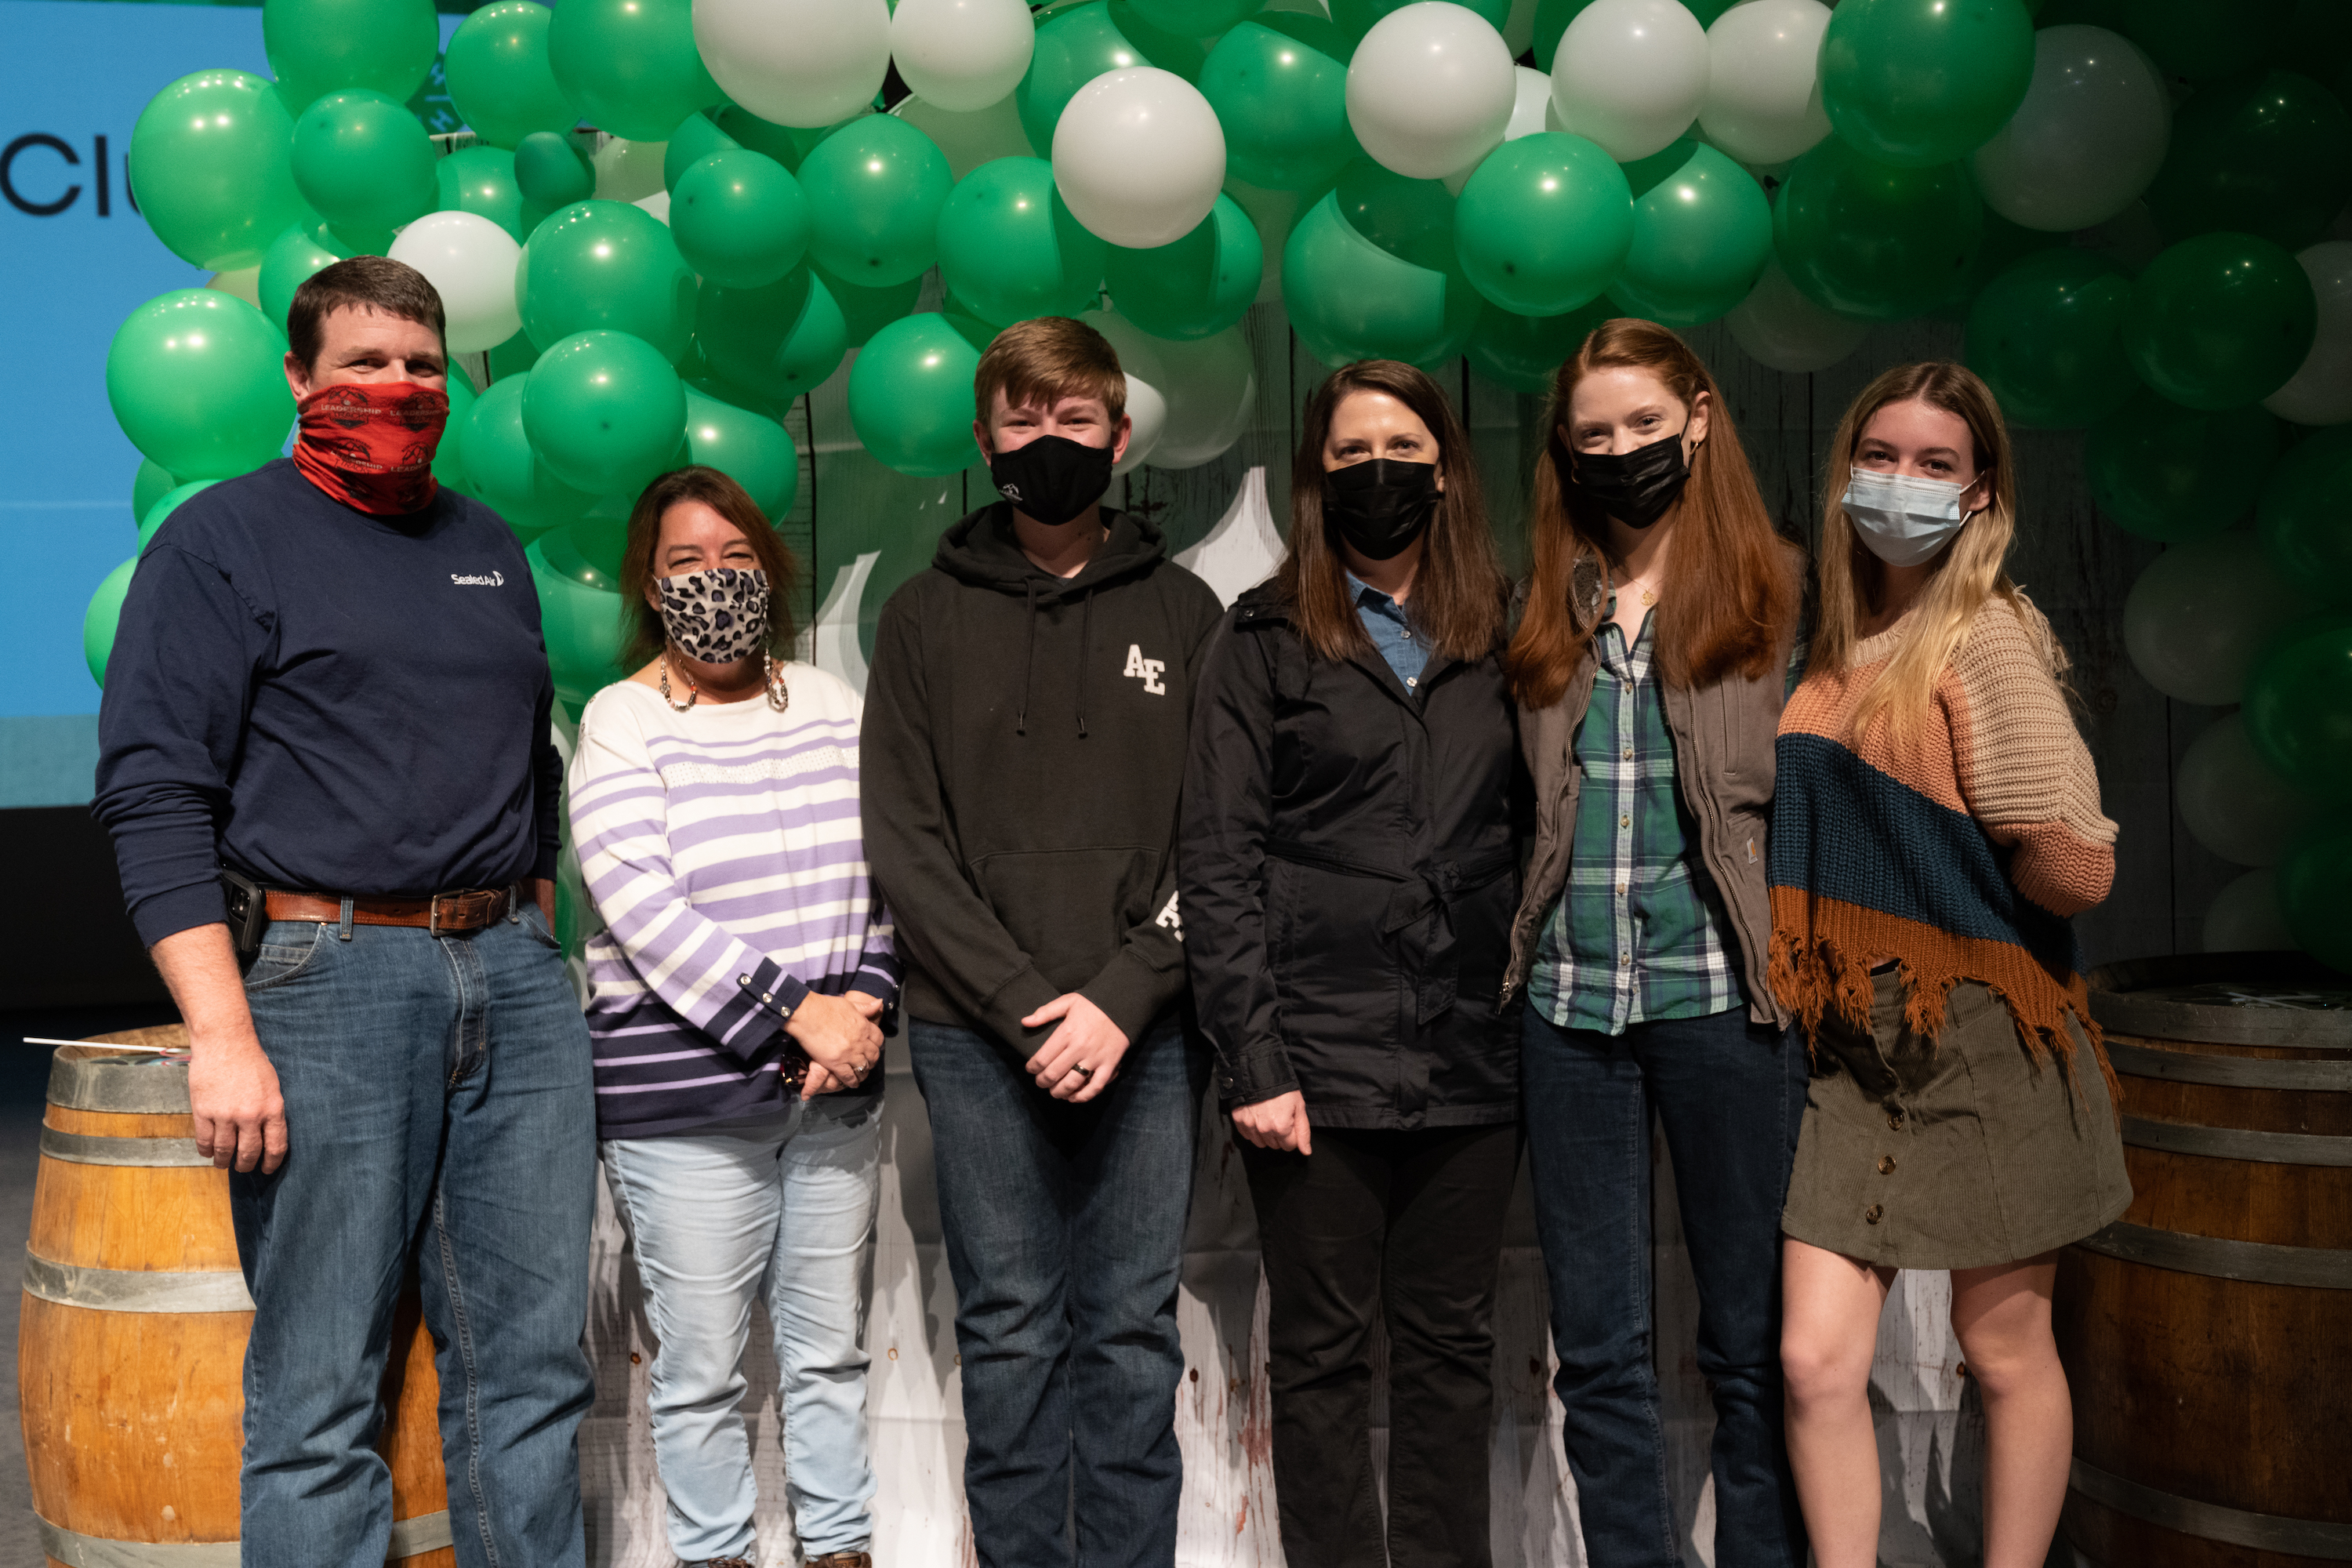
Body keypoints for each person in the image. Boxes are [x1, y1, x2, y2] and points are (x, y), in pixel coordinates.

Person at [91, 256, 595, 1566]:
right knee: (323, 1393)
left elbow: (525, 770)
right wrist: (220, 1029)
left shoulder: (488, 546)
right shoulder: (219, 543)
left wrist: (532, 937)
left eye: (421, 366)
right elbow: (154, 796)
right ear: (298, 378)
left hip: (515, 983)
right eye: (364, 363)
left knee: (535, 1376)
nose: (397, 387)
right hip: (329, 982)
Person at [858, 315, 1224, 1566]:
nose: (1048, 442)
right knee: (1010, 1330)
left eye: (1075, 422)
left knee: (1130, 1330)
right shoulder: (917, 620)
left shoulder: (1188, 614)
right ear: (984, 437)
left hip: (1154, 1031)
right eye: (1024, 420)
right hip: (975, 1037)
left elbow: (1216, 843)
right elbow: (908, 848)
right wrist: (1027, 1002)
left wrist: (1124, 993)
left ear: (1120, 439)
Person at [1771, 362, 2129, 1568]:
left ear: (1980, 497)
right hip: (1851, 1044)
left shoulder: (1983, 637)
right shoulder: (1833, 635)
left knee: (2004, 1349)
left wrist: (1965, 919)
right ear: (1844, 473)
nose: (1901, 483)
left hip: (1984, 1034)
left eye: (1935, 465)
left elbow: (2077, 868)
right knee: (1816, 1360)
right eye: (1880, 456)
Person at [1181, 359, 1521, 1568]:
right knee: (1320, 1355)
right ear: (1322, 479)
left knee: (1451, 1348)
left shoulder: (1513, 630)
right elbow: (1216, 863)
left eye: (1403, 449)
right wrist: (1255, 1059)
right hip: (1311, 1064)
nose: (1379, 471)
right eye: (1350, 454)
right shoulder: (1264, 637)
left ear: (1445, 468)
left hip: (1475, 1055)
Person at [1500, 318, 1809, 1567]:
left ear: (1698, 420)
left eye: (1643, 424)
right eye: (1593, 434)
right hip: (1568, 1014)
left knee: (1751, 1340)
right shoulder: (1548, 606)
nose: (1620, 450)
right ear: (1566, 454)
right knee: (1602, 1347)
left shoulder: (1779, 593)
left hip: (1727, 1007)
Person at [568, 466, 898, 1568]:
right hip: (685, 1099)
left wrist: (864, 1009)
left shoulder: (833, 703)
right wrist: (797, 1015)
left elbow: (887, 876)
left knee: (827, 1355)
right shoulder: (620, 718)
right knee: (702, 1366)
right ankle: (715, 1555)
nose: (714, 582)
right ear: (648, 590)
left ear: (771, 566)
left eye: (733, 558)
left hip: (836, 1087)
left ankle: (839, 1546)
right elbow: (638, 904)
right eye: (684, 565)